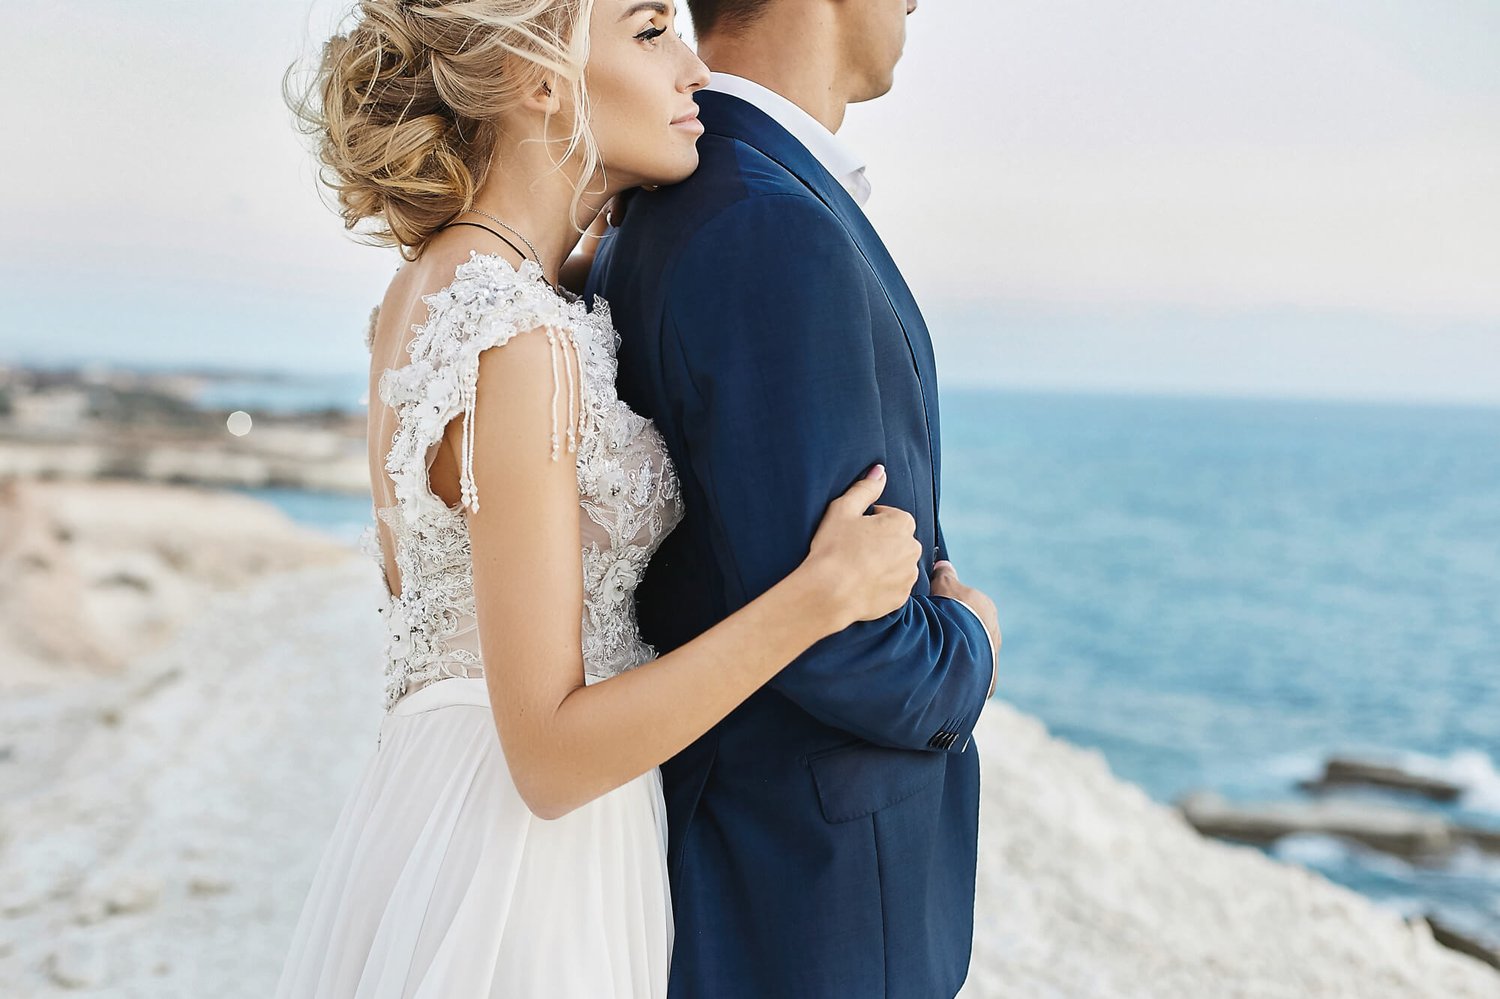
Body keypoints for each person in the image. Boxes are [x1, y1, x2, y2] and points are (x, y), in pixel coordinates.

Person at [273, 1, 927, 995]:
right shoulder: (516, 338)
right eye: (651, 30)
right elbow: (551, 756)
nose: (695, 70)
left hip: (438, 812)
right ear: (539, 78)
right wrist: (819, 598)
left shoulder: (444, 289)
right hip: (523, 868)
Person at [586, 0, 1002, 996]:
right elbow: (836, 633)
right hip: (813, 905)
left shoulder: (690, 196)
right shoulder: (762, 219)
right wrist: (973, 645)